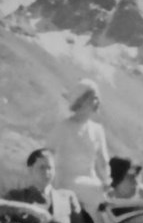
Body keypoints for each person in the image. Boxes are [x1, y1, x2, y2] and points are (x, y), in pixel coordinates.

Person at [0, 148, 88, 223]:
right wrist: (31, 210)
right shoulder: (18, 196)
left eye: (50, 168)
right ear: (30, 170)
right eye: (42, 167)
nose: (47, 172)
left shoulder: (67, 197)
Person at [46, 78, 111, 215]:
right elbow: (47, 155)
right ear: (81, 101)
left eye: (97, 98)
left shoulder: (97, 129)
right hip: (67, 181)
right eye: (92, 98)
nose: (96, 102)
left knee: (107, 193)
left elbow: (103, 161)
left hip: (91, 179)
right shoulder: (63, 128)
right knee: (97, 192)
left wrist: (108, 180)